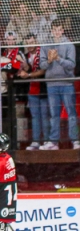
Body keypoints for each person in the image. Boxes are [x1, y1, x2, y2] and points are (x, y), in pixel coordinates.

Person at [39, 20, 80, 150]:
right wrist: (50, 60)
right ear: (51, 30)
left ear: (62, 30)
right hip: (51, 84)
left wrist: (58, 59)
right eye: (54, 29)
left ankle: (75, 141)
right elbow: (42, 65)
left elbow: (72, 64)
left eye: (59, 29)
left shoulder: (68, 45)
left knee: (71, 113)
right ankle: (53, 142)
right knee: (54, 114)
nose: (57, 32)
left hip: (67, 83)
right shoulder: (46, 45)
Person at [18, 35, 48, 150]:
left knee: (44, 116)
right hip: (32, 91)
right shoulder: (25, 56)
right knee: (35, 117)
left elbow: (43, 70)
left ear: (36, 42)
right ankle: (36, 141)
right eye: (28, 43)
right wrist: (24, 68)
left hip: (43, 89)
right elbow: (27, 71)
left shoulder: (42, 53)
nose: (30, 46)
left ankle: (46, 141)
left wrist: (28, 74)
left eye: (32, 42)